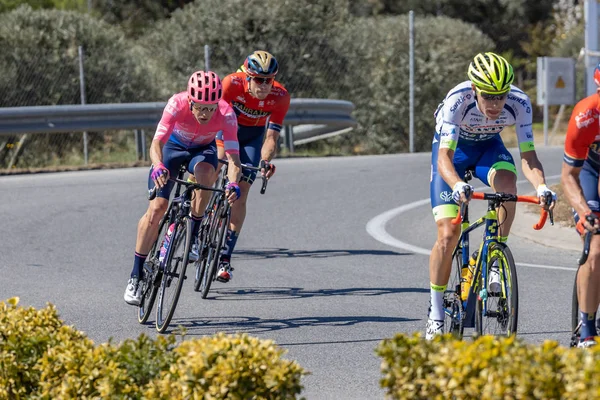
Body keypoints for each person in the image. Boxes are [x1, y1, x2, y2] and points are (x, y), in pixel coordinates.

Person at [426, 52, 556, 339]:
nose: (496, 104)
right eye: (488, 96)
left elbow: (529, 156)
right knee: (448, 234)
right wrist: (458, 184)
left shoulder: (520, 103)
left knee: (508, 187)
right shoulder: (456, 101)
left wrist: (541, 187)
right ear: (474, 90)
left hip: (488, 148)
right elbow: (444, 158)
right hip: (453, 154)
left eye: (501, 96)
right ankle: (435, 313)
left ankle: (495, 255)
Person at [124, 70, 242, 306]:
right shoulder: (176, 104)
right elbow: (156, 142)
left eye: (210, 108)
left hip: (201, 152)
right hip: (172, 149)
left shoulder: (227, 114)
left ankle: (194, 235)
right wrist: (157, 165)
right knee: (157, 208)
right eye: (200, 107)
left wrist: (233, 183)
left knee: (207, 175)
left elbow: (233, 158)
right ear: (190, 100)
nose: (206, 114)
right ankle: (135, 275)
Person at [210, 50, 290, 283]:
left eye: (269, 79)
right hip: (226, 131)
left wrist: (265, 162)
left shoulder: (280, 96)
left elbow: (271, 138)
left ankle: (225, 257)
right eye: (259, 79)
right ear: (247, 76)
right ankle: (196, 224)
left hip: (252, 137)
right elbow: (214, 118)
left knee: (242, 193)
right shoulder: (231, 84)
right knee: (214, 166)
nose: (264, 85)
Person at [561, 63, 600, 348]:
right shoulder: (586, 115)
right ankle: (587, 330)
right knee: (596, 247)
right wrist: (586, 212)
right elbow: (568, 176)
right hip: (588, 173)